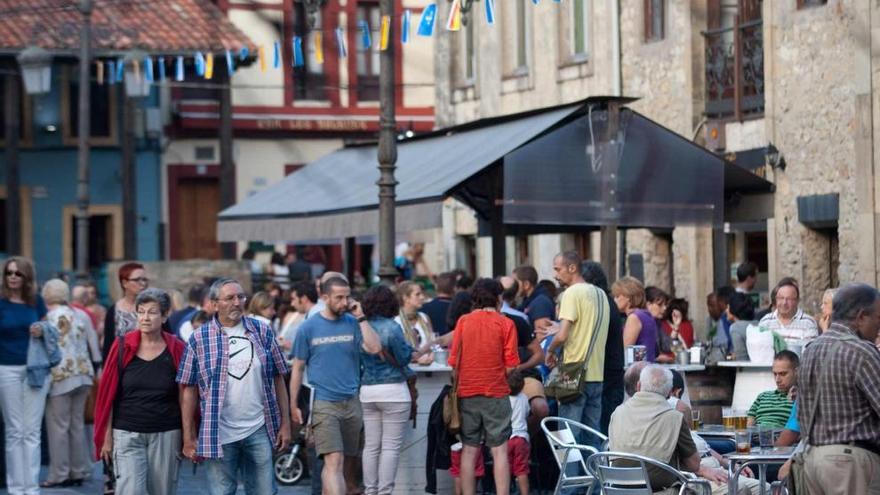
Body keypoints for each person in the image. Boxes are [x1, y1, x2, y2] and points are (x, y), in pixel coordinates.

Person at [177, 278, 292, 495]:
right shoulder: (199, 338)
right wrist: (188, 437)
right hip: (218, 433)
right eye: (229, 298)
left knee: (265, 492)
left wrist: (285, 424)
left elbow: (279, 378)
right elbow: (188, 389)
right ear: (213, 304)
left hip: (260, 428)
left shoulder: (263, 331)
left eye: (240, 296)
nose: (237, 302)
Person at [289, 277, 382, 495]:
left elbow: (375, 347)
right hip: (323, 402)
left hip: (351, 401)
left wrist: (361, 317)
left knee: (340, 464)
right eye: (339, 297)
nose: (344, 301)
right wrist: (293, 404)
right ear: (325, 298)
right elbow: (298, 368)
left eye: (347, 296)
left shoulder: (353, 323)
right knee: (334, 461)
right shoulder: (308, 328)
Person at [94, 288, 186, 495]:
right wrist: (106, 438)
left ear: (164, 316)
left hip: (165, 432)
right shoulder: (121, 347)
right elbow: (108, 395)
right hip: (127, 432)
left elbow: (185, 396)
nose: (145, 317)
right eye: (141, 311)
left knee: (161, 491)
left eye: (152, 312)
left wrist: (188, 437)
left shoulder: (177, 348)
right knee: (130, 491)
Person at [797, 283, 880, 493]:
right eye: (878, 319)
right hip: (849, 462)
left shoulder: (811, 350)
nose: (879, 327)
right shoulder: (861, 351)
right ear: (861, 317)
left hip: (812, 458)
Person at [448, 278, 519, 495]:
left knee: (469, 450)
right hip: (496, 393)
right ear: (498, 298)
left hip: (467, 393)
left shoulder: (463, 322)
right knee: (499, 451)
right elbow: (511, 365)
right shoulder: (506, 323)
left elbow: (454, 362)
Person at [609, 365, 730, 492]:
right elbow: (694, 464)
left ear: (639, 386)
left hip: (617, 489)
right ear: (669, 392)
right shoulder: (674, 417)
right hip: (661, 490)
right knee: (737, 488)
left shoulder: (617, 412)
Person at [0, 256, 52, 495]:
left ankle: (31, 488)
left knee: (31, 430)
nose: (12, 277)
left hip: (36, 368)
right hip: (6, 368)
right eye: (9, 273)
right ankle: (15, 487)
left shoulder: (37, 302)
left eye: (17, 273)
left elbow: (50, 333)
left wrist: (41, 330)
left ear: (26, 277)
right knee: (14, 430)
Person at [545, 251, 610, 437]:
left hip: (573, 374)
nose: (555, 275)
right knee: (593, 435)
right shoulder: (601, 294)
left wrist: (550, 351)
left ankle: (569, 469)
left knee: (568, 438)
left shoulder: (571, 293)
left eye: (558, 269)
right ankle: (593, 468)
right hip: (596, 374)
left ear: (572, 268)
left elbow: (563, 334)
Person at [359, 285, 416, 495]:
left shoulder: (360, 327)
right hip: (393, 391)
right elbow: (403, 358)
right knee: (390, 448)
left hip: (367, 391)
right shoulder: (392, 327)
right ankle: (385, 492)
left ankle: (370, 490)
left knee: (371, 446)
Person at [40, 279, 96, 488]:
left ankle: (60, 473)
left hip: (61, 375)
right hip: (83, 373)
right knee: (76, 425)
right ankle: (79, 469)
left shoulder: (48, 317)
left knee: (58, 427)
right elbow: (91, 344)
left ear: (46, 294)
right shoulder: (78, 314)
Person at [498, 276, 548, 433]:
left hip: (522, 376)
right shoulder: (473, 323)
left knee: (541, 408)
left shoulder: (517, 321)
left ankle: (523, 439)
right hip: (491, 379)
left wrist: (519, 368)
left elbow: (539, 355)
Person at [581, 261, 625, 435]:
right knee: (599, 428)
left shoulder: (601, 303)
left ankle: (596, 462)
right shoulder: (606, 302)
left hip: (605, 375)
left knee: (598, 428)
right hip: (608, 373)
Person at [102, 262, 150, 360]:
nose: (143, 283)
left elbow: (167, 336)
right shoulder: (114, 311)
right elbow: (108, 345)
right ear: (124, 283)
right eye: (137, 280)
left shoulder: (154, 308)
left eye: (144, 279)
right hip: (123, 365)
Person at [758, 279, 818, 349]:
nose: (784, 303)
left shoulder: (808, 322)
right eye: (780, 298)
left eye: (789, 299)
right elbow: (760, 351)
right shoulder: (765, 321)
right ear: (776, 299)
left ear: (797, 301)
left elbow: (809, 353)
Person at [746, 350, 798, 427]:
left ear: (796, 372)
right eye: (775, 374)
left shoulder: (801, 400)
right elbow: (748, 427)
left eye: (783, 374)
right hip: (756, 437)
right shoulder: (763, 396)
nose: (777, 380)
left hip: (782, 437)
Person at [612, 276, 659, 362]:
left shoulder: (634, 317)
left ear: (628, 297)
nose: (614, 300)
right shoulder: (646, 315)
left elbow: (624, 350)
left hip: (637, 371)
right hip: (647, 368)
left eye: (617, 296)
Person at [394, 281, 435, 359]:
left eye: (422, 294)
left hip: (428, 367)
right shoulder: (395, 321)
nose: (422, 297)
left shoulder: (424, 317)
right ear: (405, 298)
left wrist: (432, 354)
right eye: (417, 294)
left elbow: (433, 343)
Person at [507, 371, 530, 495]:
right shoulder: (524, 397)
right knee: (521, 469)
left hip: (507, 438)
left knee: (505, 467)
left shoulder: (504, 399)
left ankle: (505, 490)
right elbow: (527, 413)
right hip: (521, 437)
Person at [513, 265, 555, 330]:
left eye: (515, 283)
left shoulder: (541, 303)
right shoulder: (528, 300)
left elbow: (542, 336)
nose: (513, 286)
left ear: (526, 284)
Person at [727, 292, 756, 361]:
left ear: (733, 309)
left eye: (728, 307)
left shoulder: (735, 328)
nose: (726, 311)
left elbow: (741, 359)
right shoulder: (758, 323)